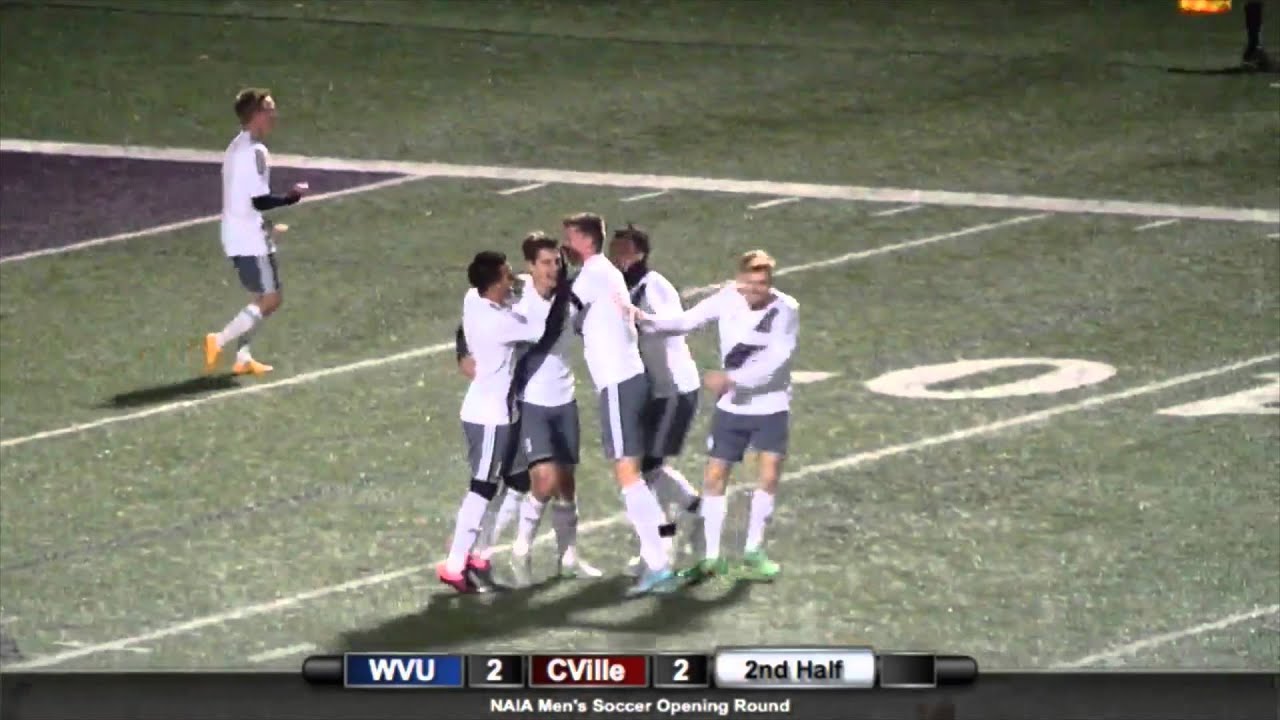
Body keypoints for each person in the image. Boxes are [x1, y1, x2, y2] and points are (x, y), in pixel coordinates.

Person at [631, 249, 799, 582]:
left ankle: (753, 550)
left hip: (771, 405)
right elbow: (686, 322)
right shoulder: (726, 299)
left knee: (767, 478)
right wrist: (642, 321)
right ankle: (710, 557)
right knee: (714, 479)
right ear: (740, 281)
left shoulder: (786, 309)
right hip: (732, 407)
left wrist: (732, 379)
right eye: (751, 282)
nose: (757, 289)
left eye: (763, 283)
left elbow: (778, 359)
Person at [456, 233, 599, 582]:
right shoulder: (517, 295)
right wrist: (463, 353)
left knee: (565, 484)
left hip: (565, 397)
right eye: (546, 263)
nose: (553, 269)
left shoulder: (576, 294)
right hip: (529, 400)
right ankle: (517, 552)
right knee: (539, 481)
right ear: (530, 268)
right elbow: (473, 316)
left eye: (557, 262)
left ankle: (569, 559)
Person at [562, 212, 681, 596]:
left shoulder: (594, 272)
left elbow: (563, 318)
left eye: (570, 238)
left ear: (584, 240)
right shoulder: (605, 273)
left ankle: (659, 562)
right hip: (629, 379)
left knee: (629, 477)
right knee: (638, 476)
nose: (565, 244)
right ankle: (662, 551)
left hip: (618, 383)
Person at [438, 251, 549, 593]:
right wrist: (533, 284)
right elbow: (538, 328)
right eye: (506, 275)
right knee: (482, 487)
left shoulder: (474, 299)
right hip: (489, 418)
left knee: (517, 481)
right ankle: (455, 564)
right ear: (493, 283)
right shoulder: (498, 323)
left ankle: (481, 553)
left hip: (505, 413)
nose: (511, 278)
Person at [607, 224, 704, 576]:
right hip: (654, 390)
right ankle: (690, 514)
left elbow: (677, 324)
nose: (617, 255)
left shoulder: (653, 285)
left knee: (643, 473)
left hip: (674, 390)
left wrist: (639, 319)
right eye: (614, 248)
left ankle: (668, 538)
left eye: (624, 249)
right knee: (646, 470)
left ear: (640, 253)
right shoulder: (620, 286)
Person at [205, 88, 308, 376]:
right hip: (248, 239)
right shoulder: (255, 152)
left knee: (260, 298)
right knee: (271, 299)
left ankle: (243, 356)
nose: (274, 114)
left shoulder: (237, 146)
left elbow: (242, 198)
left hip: (240, 233)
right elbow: (258, 200)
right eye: (270, 109)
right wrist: (290, 199)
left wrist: (265, 226)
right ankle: (219, 340)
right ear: (257, 115)